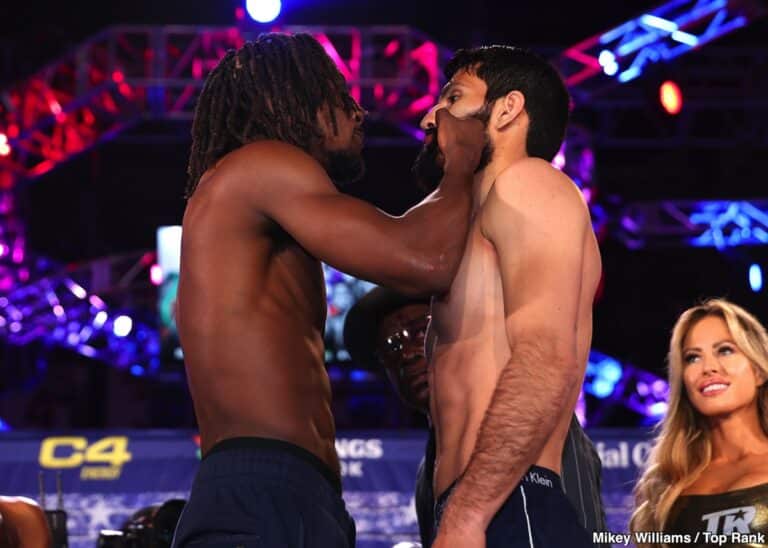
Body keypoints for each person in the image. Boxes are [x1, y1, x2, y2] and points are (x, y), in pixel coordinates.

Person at [171, 33, 485, 547]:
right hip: (263, 486)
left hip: (290, 487)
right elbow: (426, 261)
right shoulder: (261, 164)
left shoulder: (248, 189)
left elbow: (412, 235)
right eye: (338, 95)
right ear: (286, 100)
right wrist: (462, 163)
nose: (358, 111)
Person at [411, 45, 603, 547]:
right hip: (478, 504)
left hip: (509, 503)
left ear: (507, 108)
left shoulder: (530, 182)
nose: (433, 116)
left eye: (453, 97)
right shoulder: (475, 220)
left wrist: (469, 514)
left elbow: (544, 354)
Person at [344, 286, 608, 547]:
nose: (408, 354)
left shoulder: (529, 420)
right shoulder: (428, 474)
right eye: (393, 345)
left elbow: (584, 526)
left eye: (422, 331)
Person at [630, 299, 768, 547]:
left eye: (725, 350)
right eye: (692, 358)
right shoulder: (666, 484)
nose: (709, 368)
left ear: (758, 370)